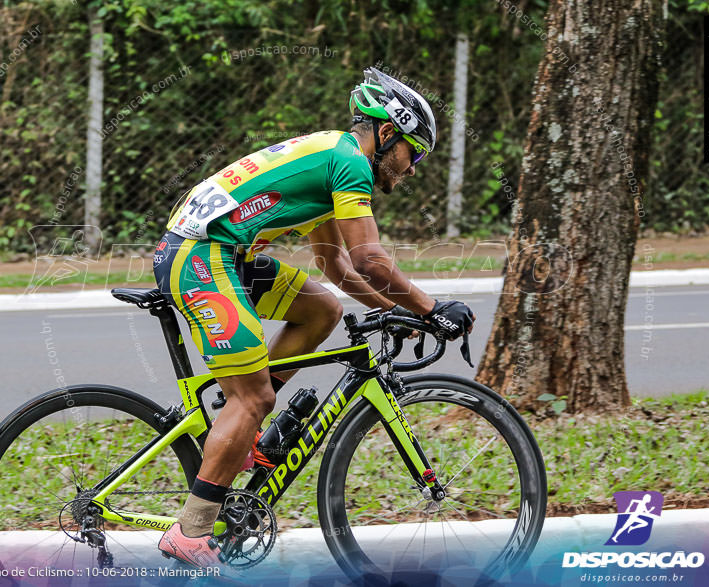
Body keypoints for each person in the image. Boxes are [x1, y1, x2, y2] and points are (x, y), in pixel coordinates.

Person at [153, 66, 476, 567]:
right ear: (388, 133)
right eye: (414, 153)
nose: (412, 169)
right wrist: (433, 309)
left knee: (321, 307)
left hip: (217, 256)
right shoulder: (350, 163)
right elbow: (371, 261)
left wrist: (400, 314)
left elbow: (338, 269)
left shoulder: (335, 157)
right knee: (254, 396)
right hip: (200, 257)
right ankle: (191, 533)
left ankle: (245, 427)